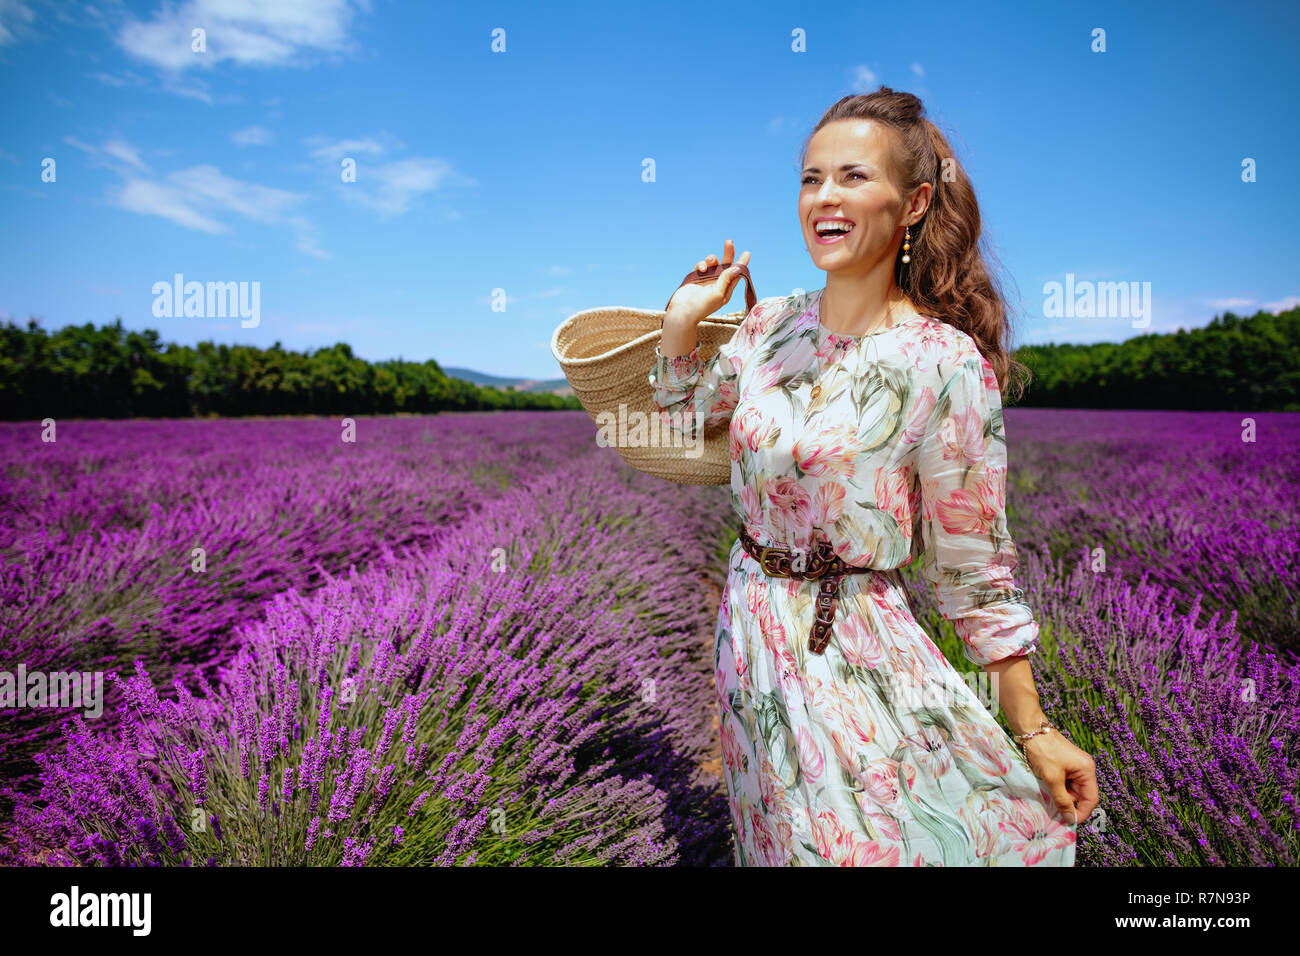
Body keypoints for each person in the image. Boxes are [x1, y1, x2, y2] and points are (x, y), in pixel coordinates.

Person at [649, 87, 1098, 866]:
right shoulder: (770, 324)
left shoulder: (944, 363)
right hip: (749, 625)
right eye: (810, 177)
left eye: (853, 177)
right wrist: (683, 322)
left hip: (850, 642)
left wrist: (1033, 728)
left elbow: (974, 568)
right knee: (777, 841)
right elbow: (689, 415)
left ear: (915, 201)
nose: (825, 196)